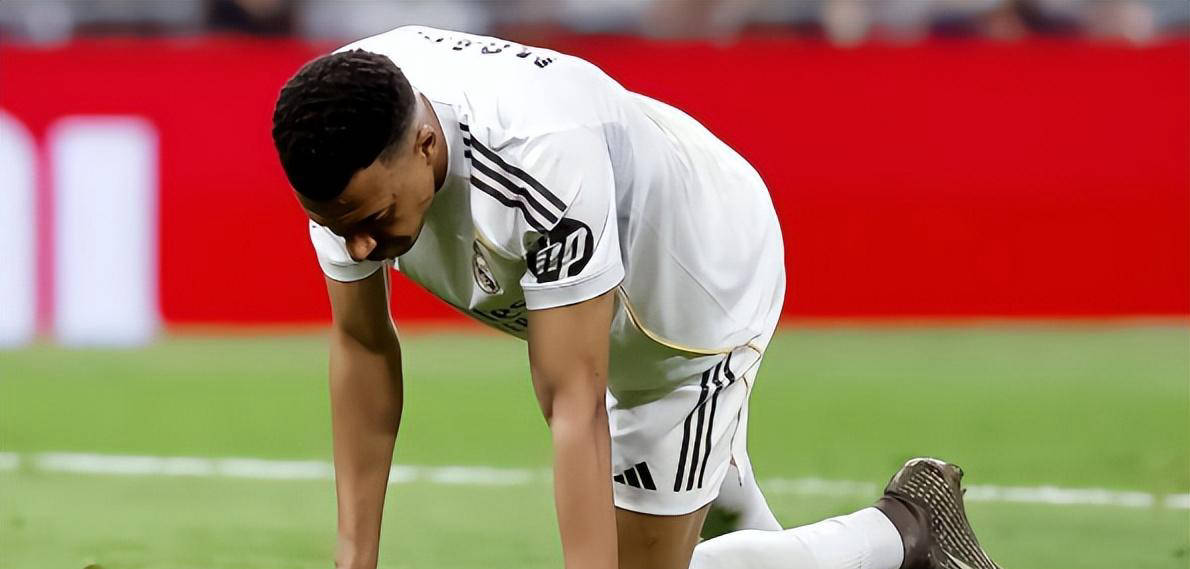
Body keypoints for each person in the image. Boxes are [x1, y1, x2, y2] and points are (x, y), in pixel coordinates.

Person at [270, 26, 1003, 569]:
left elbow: (574, 402)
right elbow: (363, 346)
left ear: (427, 145)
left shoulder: (538, 158)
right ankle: (720, 485)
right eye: (334, 226)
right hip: (608, 288)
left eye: (371, 221)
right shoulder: (343, 129)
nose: (357, 247)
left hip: (697, 291)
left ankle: (907, 529)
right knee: (682, 510)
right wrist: (354, 557)